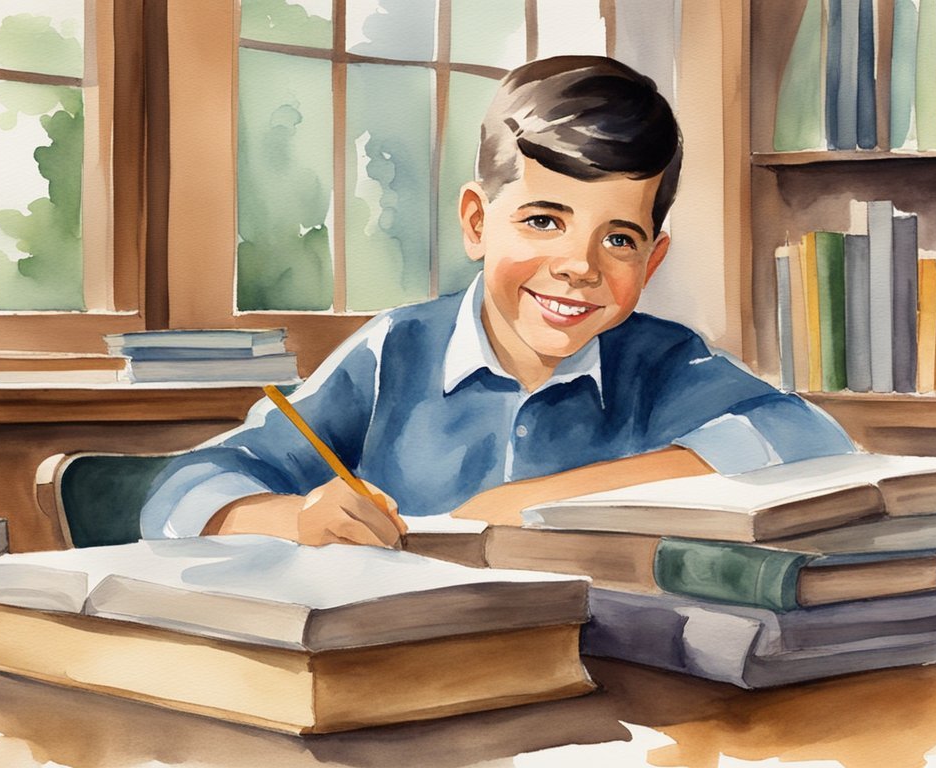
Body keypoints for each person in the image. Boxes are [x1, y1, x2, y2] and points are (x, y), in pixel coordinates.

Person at [141, 55, 854, 546]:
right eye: (544, 221)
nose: (578, 266)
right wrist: (295, 518)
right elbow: (185, 490)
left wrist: (542, 500)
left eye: (620, 239)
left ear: (653, 258)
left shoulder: (663, 363)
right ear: (478, 223)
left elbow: (810, 439)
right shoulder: (396, 353)